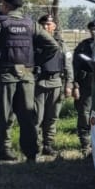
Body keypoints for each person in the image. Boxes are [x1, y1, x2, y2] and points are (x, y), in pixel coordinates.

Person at [0, 0, 59, 163]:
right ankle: (32, 155)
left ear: (5, 5)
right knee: (27, 117)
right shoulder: (31, 24)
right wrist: (35, 63)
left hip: (4, 77)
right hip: (27, 77)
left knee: (1, 117)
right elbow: (53, 46)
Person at [33, 14, 71, 157]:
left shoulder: (61, 44)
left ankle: (47, 145)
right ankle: (35, 146)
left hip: (56, 83)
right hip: (39, 84)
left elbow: (68, 66)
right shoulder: (34, 43)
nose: (46, 27)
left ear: (54, 26)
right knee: (37, 117)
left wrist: (69, 84)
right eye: (43, 24)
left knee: (52, 117)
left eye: (49, 24)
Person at [72, 20, 95, 154]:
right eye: (92, 29)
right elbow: (75, 66)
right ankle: (85, 144)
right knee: (84, 113)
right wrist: (75, 84)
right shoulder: (83, 46)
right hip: (86, 83)